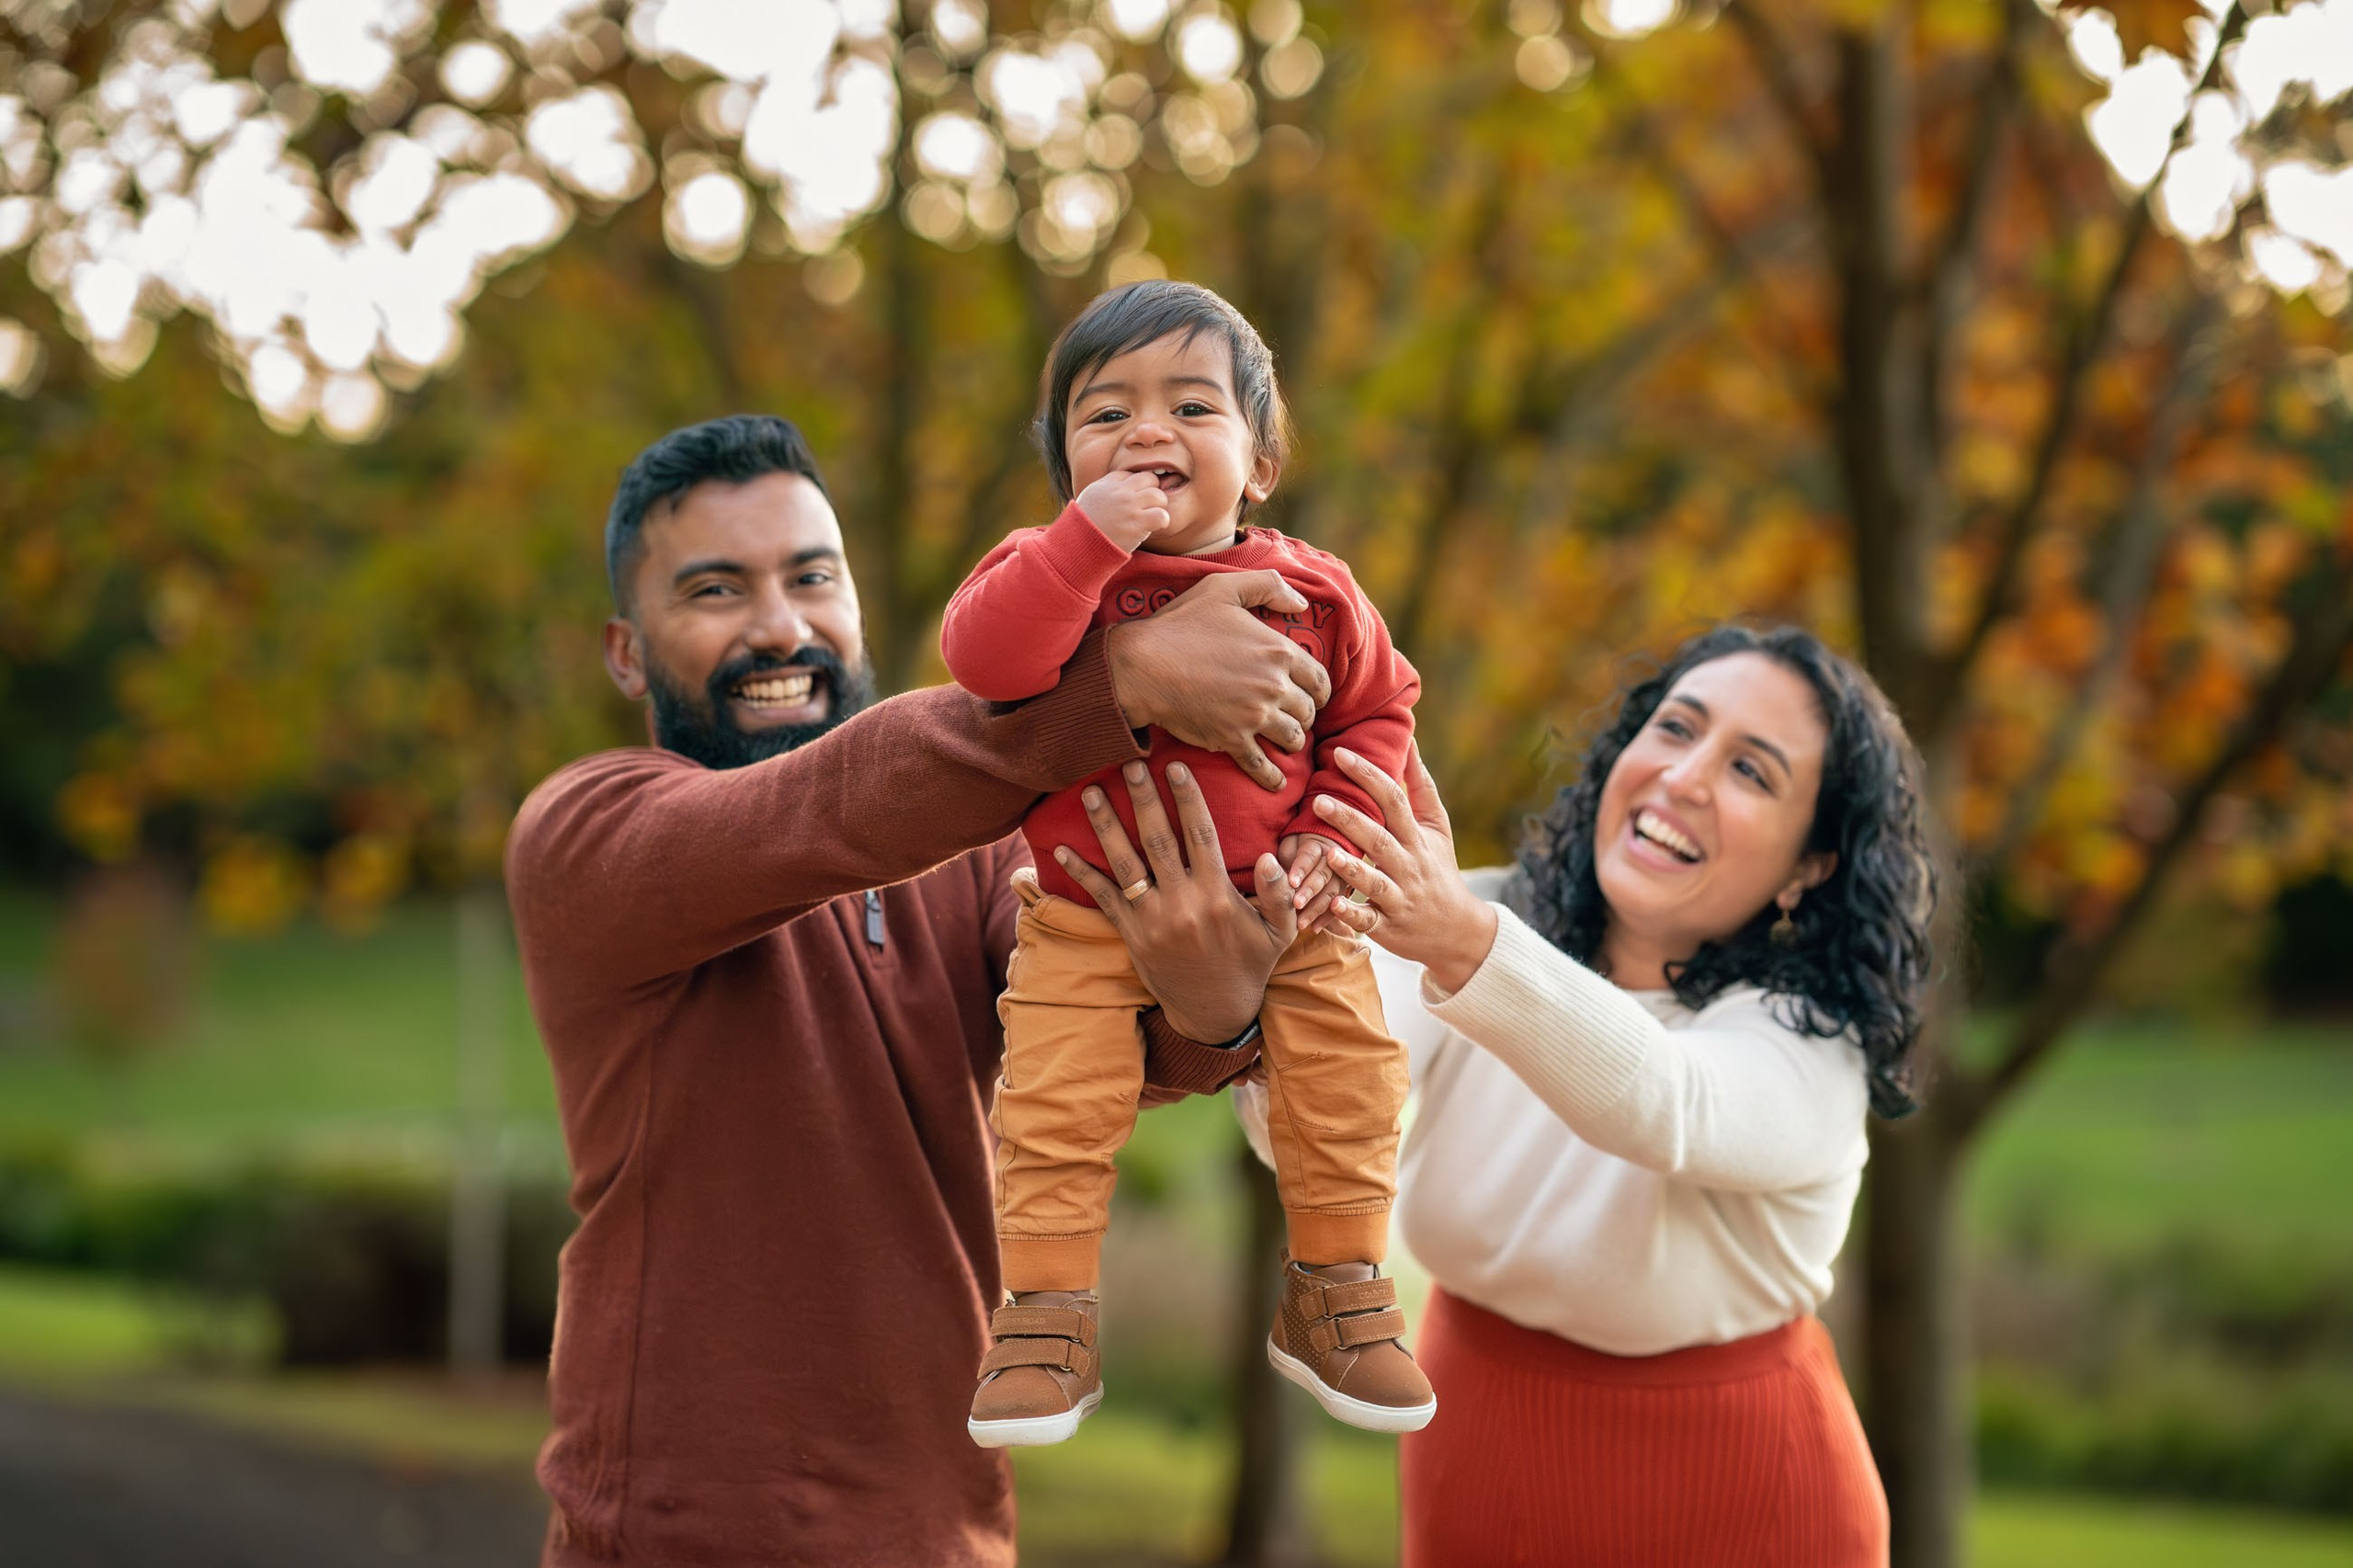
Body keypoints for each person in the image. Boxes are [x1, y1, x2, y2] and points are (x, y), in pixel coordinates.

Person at [503, 414, 1339, 1568]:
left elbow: (1108, 1023)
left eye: (811, 576)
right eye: (715, 590)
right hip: (682, 1540)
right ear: (627, 652)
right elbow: (816, 814)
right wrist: (1119, 680)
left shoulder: (972, 852)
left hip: (946, 1536)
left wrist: (1218, 1007)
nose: (780, 625)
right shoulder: (586, 833)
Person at [1081, 624, 1937, 1567]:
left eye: (1751, 771)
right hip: (1482, 1442)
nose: (1685, 776)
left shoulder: (1807, 1042)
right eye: (1675, 727)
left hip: (1744, 1490)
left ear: (1812, 864)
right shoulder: (1479, 916)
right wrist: (1238, 1006)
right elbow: (1321, 1121)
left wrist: (1458, 939)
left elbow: (1667, 1103)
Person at [940, 281, 1434, 1449]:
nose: (1147, 432)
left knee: (1352, 1078)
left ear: (1258, 458)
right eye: (1104, 414)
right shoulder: (1047, 570)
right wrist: (1081, 547)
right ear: (1065, 466)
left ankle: (1337, 1285)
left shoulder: (1318, 590)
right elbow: (985, 659)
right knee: (1053, 1101)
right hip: (1079, 914)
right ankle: (1045, 1316)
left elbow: (1380, 714)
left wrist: (1326, 835)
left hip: (1290, 911)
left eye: (1191, 406)